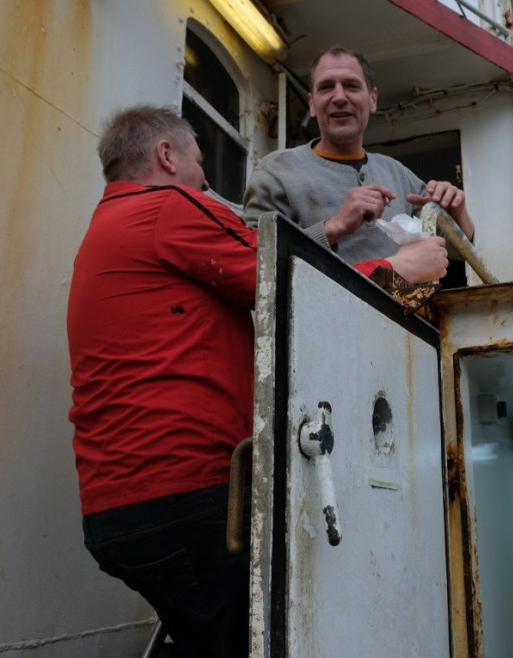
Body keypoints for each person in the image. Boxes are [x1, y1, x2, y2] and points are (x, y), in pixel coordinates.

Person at [66, 105, 408, 657]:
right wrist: (399, 269)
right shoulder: (170, 207)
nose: (207, 180)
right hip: (188, 497)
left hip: (124, 504)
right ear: (166, 155)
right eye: (201, 163)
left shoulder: (107, 228)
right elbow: (280, 278)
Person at [243, 45, 473, 273]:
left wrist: (458, 212)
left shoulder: (398, 173)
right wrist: (335, 227)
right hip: (321, 310)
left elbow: (456, 252)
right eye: (326, 87)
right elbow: (254, 264)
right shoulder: (276, 170)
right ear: (312, 103)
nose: (339, 97)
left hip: (404, 311)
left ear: (372, 99)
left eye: (351, 86)